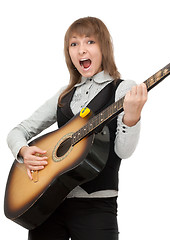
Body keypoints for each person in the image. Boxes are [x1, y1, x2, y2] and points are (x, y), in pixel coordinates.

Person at [7, 16, 148, 240]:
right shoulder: (64, 94)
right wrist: (23, 152)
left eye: (89, 42)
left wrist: (132, 118)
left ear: (104, 47)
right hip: (48, 207)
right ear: (68, 53)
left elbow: (124, 152)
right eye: (74, 44)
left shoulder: (122, 89)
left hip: (96, 208)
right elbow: (18, 132)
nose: (81, 50)